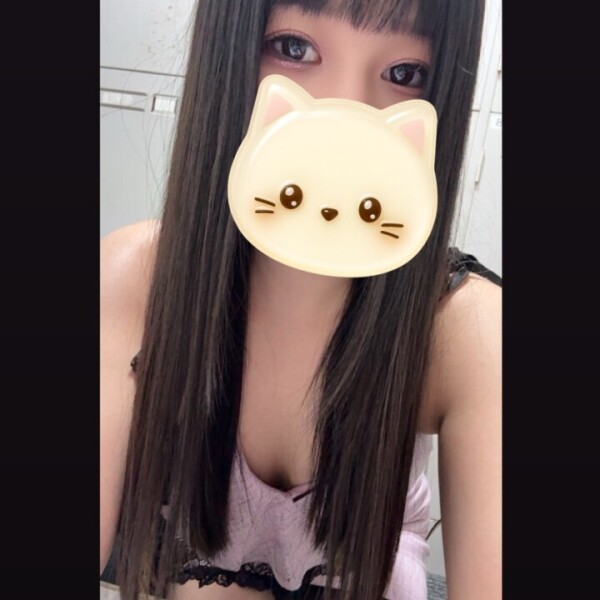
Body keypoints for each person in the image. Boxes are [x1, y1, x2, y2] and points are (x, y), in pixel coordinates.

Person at [100, 1, 501, 599]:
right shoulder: (134, 278)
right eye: (293, 49)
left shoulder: (470, 332)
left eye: (404, 73)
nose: (344, 114)